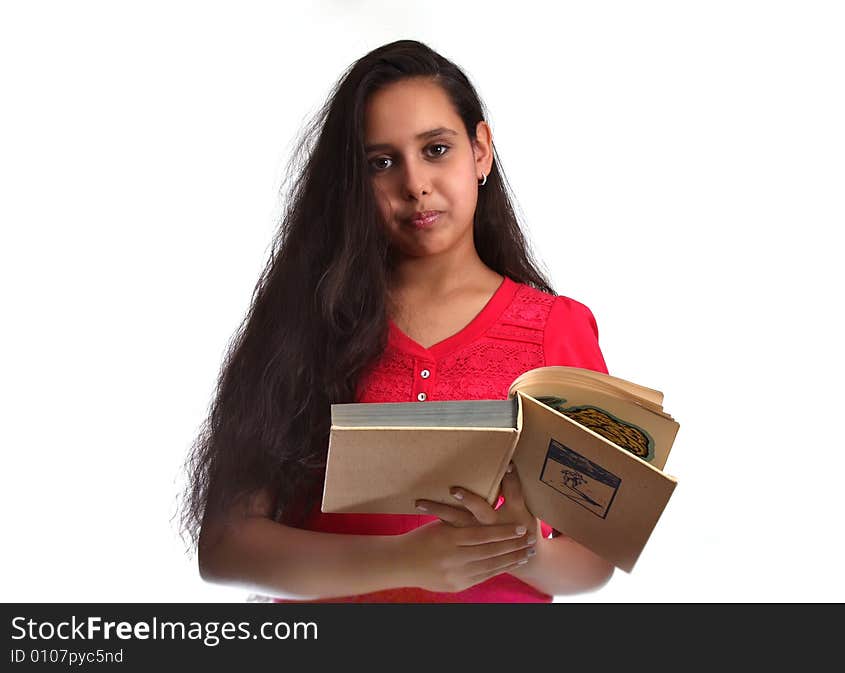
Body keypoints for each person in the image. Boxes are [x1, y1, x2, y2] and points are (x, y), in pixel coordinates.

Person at [179, 39, 615, 603]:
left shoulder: (558, 329)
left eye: (436, 149)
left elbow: (595, 562)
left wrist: (526, 550)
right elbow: (225, 547)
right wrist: (407, 560)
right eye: (381, 163)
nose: (415, 184)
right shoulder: (305, 323)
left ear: (481, 151)